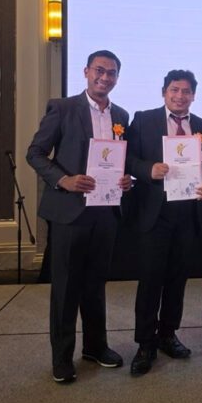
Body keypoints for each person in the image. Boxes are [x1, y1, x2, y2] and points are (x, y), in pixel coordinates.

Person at [26, 50, 132, 383]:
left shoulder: (122, 115)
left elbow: (120, 160)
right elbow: (35, 153)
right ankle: (61, 358)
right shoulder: (63, 108)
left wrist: (127, 179)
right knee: (66, 288)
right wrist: (63, 180)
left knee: (96, 284)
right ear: (86, 72)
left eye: (111, 73)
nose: (104, 77)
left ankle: (95, 347)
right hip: (70, 212)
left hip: (106, 211)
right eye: (99, 70)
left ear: (117, 78)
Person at [125, 70, 202, 376]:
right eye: (174, 90)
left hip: (188, 214)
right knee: (151, 280)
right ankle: (145, 343)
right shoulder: (144, 120)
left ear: (194, 95)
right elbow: (128, 158)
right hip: (156, 214)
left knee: (178, 279)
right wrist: (147, 169)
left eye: (186, 91)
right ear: (164, 92)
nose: (180, 96)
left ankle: (168, 334)